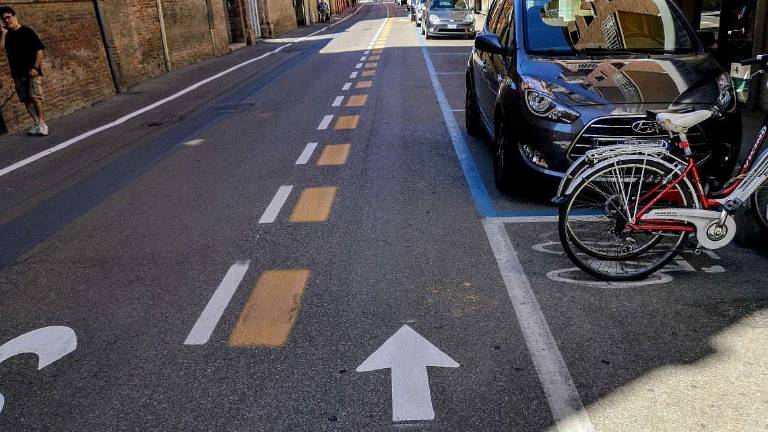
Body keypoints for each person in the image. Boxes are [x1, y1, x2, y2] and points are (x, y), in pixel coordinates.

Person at [0, 6, 47, 136]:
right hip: (17, 73)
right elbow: (1, 50)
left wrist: (35, 68)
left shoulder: (27, 31)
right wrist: (3, 34)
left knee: (35, 97)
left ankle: (42, 124)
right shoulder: (7, 36)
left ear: (14, 16)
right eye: (4, 19)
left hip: (32, 71)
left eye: (8, 17)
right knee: (26, 100)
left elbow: (40, 51)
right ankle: (37, 123)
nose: (6, 20)